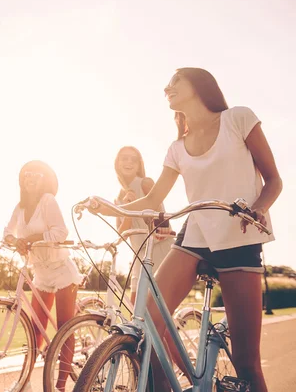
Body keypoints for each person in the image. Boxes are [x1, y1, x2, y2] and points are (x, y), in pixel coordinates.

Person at [90, 68, 281, 391]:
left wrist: (259, 208)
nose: (167, 88)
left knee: (247, 363)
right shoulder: (177, 148)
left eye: (175, 81)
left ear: (199, 84)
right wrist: (107, 206)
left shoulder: (238, 119)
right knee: (147, 323)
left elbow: (274, 180)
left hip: (239, 237)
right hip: (193, 238)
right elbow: (152, 199)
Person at [3, 160, 83, 391]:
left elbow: (61, 231)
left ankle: (59, 387)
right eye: (27, 174)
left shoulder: (48, 200)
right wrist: (13, 240)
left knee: (64, 328)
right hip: (40, 272)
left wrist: (31, 238)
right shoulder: (19, 208)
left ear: (44, 180)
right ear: (22, 180)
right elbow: (8, 231)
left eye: (37, 175)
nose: (31, 178)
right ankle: (25, 381)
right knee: (36, 329)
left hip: (61, 270)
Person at [113, 146, 174, 304]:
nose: (129, 162)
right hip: (139, 255)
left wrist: (136, 205)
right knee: (136, 307)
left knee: (157, 309)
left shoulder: (145, 183)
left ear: (139, 165)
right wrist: (128, 210)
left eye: (134, 159)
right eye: (124, 158)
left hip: (158, 249)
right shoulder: (118, 197)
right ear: (117, 163)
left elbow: (161, 218)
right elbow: (121, 234)